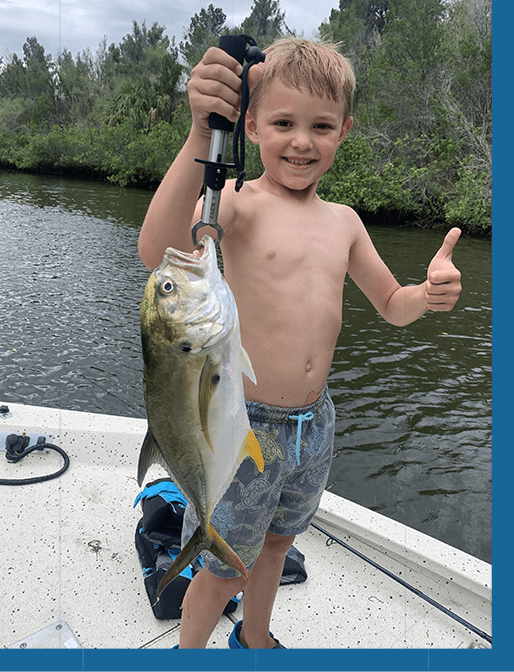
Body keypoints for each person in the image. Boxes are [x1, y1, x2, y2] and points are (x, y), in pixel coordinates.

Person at [138, 37, 462, 649]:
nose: (302, 141)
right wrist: (197, 135)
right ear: (252, 126)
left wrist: (430, 293)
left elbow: (393, 305)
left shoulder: (345, 222)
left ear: (343, 132)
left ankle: (254, 639)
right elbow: (159, 253)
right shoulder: (236, 202)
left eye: (321, 126)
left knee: (278, 544)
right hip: (242, 425)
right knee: (223, 562)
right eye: (283, 123)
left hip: (316, 425)